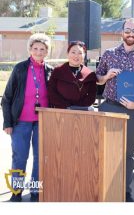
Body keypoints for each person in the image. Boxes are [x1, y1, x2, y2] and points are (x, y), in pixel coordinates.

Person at [96, 18, 134, 202]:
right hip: (109, 106)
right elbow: (97, 79)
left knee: (127, 154)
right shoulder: (109, 54)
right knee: (105, 151)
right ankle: (103, 189)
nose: (131, 34)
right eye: (128, 30)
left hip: (131, 112)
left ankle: (125, 192)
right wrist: (106, 76)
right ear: (122, 32)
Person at [1, 33, 53, 202]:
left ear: (47, 52)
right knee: (20, 157)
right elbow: (7, 97)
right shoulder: (20, 68)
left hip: (42, 122)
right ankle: (16, 191)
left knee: (40, 158)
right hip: (20, 122)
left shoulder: (51, 71)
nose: (38, 52)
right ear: (30, 49)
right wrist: (8, 122)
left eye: (42, 49)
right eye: (35, 48)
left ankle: (35, 192)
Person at [48, 41, 97, 109]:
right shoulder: (57, 71)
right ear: (68, 53)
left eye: (80, 53)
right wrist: (65, 106)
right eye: (73, 52)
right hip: (61, 111)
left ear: (84, 55)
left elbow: (91, 96)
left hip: (82, 111)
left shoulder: (90, 74)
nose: (76, 56)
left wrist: (77, 106)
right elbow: (51, 92)